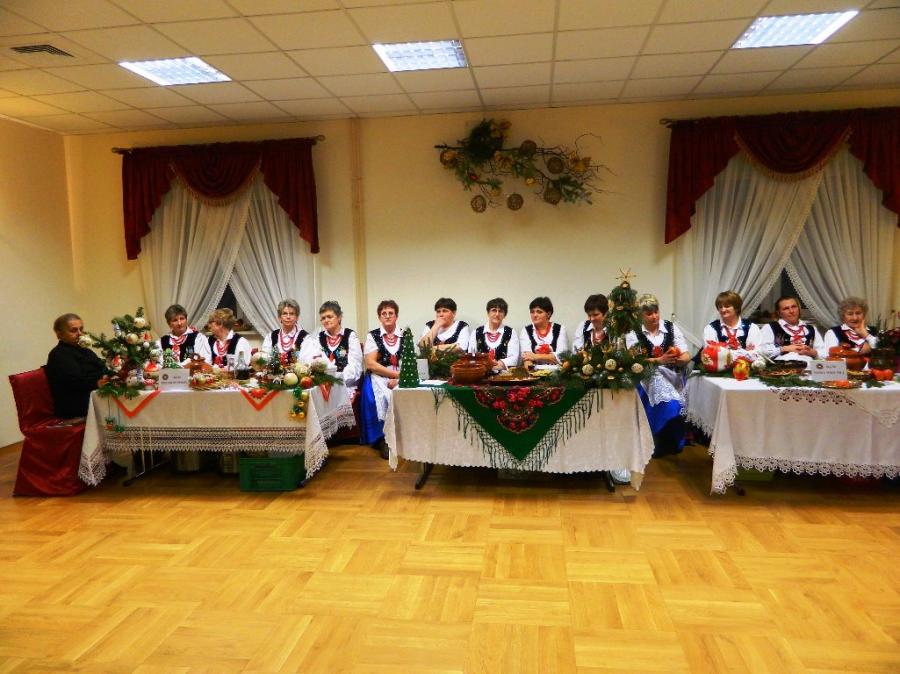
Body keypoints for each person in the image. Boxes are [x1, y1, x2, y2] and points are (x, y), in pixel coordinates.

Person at [626, 294, 691, 458]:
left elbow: (686, 354)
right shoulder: (633, 333)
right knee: (662, 391)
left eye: (656, 312)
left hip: (673, 373)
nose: (654, 316)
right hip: (648, 375)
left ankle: (672, 440)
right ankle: (659, 439)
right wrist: (659, 360)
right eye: (649, 313)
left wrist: (680, 359)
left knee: (673, 393)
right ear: (640, 315)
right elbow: (634, 361)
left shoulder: (671, 328)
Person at [360, 300, 407, 459]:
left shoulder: (405, 335)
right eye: (383, 313)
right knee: (381, 397)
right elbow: (371, 364)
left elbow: (410, 363)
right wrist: (394, 375)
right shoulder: (373, 335)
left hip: (401, 376)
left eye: (390, 313)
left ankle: (404, 437)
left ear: (396, 316)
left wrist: (400, 379)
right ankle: (384, 439)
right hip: (379, 376)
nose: (387, 316)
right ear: (379, 317)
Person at [45, 313, 106, 420]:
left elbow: (101, 366)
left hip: (93, 394)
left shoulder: (84, 349)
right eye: (73, 330)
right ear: (59, 334)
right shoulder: (58, 354)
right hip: (75, 404)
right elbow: (77, 382)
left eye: (81, 329)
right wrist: (99, 381)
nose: (80, 333)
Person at [311, 300, 363, 393]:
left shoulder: (350, 336)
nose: (326, 320)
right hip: (324, 385)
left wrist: (335, 380)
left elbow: (355, 367)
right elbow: (315, 361)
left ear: (339, 317)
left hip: (346, 385)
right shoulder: (319, 337)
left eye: (329, 317)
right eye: (323, 318)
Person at [758, 295, 825, 363]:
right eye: (786, 308)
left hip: (808, 367)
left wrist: (813, 353)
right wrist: (784, 349)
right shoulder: (770, 327)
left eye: (794, 307)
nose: (791, 311)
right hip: (781, 368)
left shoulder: (811, 329)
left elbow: (824, 353)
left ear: (799, 309)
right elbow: (762, 351)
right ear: (779, 313)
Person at [702, 291, 761, 360]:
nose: (723, 310)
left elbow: (756, 355)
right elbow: (711, 354)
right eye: (720, 307)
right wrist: (745, 352)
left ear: (736, 308)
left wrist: (723, 352)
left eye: (727, 306)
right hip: (719, 367)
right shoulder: (710, 328)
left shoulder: (751, 327)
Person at [467, 297, 520, 371]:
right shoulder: (476, 332)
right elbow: (471, 356)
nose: (497, 314)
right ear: (488, 313)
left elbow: (514, 358)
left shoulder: (511, 333)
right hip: (480, 373)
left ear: (504, 315)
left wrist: (498, 364)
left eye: (500, 311)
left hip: (504, 375)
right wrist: (486, 364)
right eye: (494, 310)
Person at [521, 296, 568, 367]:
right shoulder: (526, 330)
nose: (535, 315)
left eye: (539, 312)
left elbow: (562, 356)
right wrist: (531, 370)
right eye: (532, 312)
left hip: (557, 372)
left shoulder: (560, 329)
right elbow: (527, 358)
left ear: (548, 314)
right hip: (534, 371)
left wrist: (535, 356)